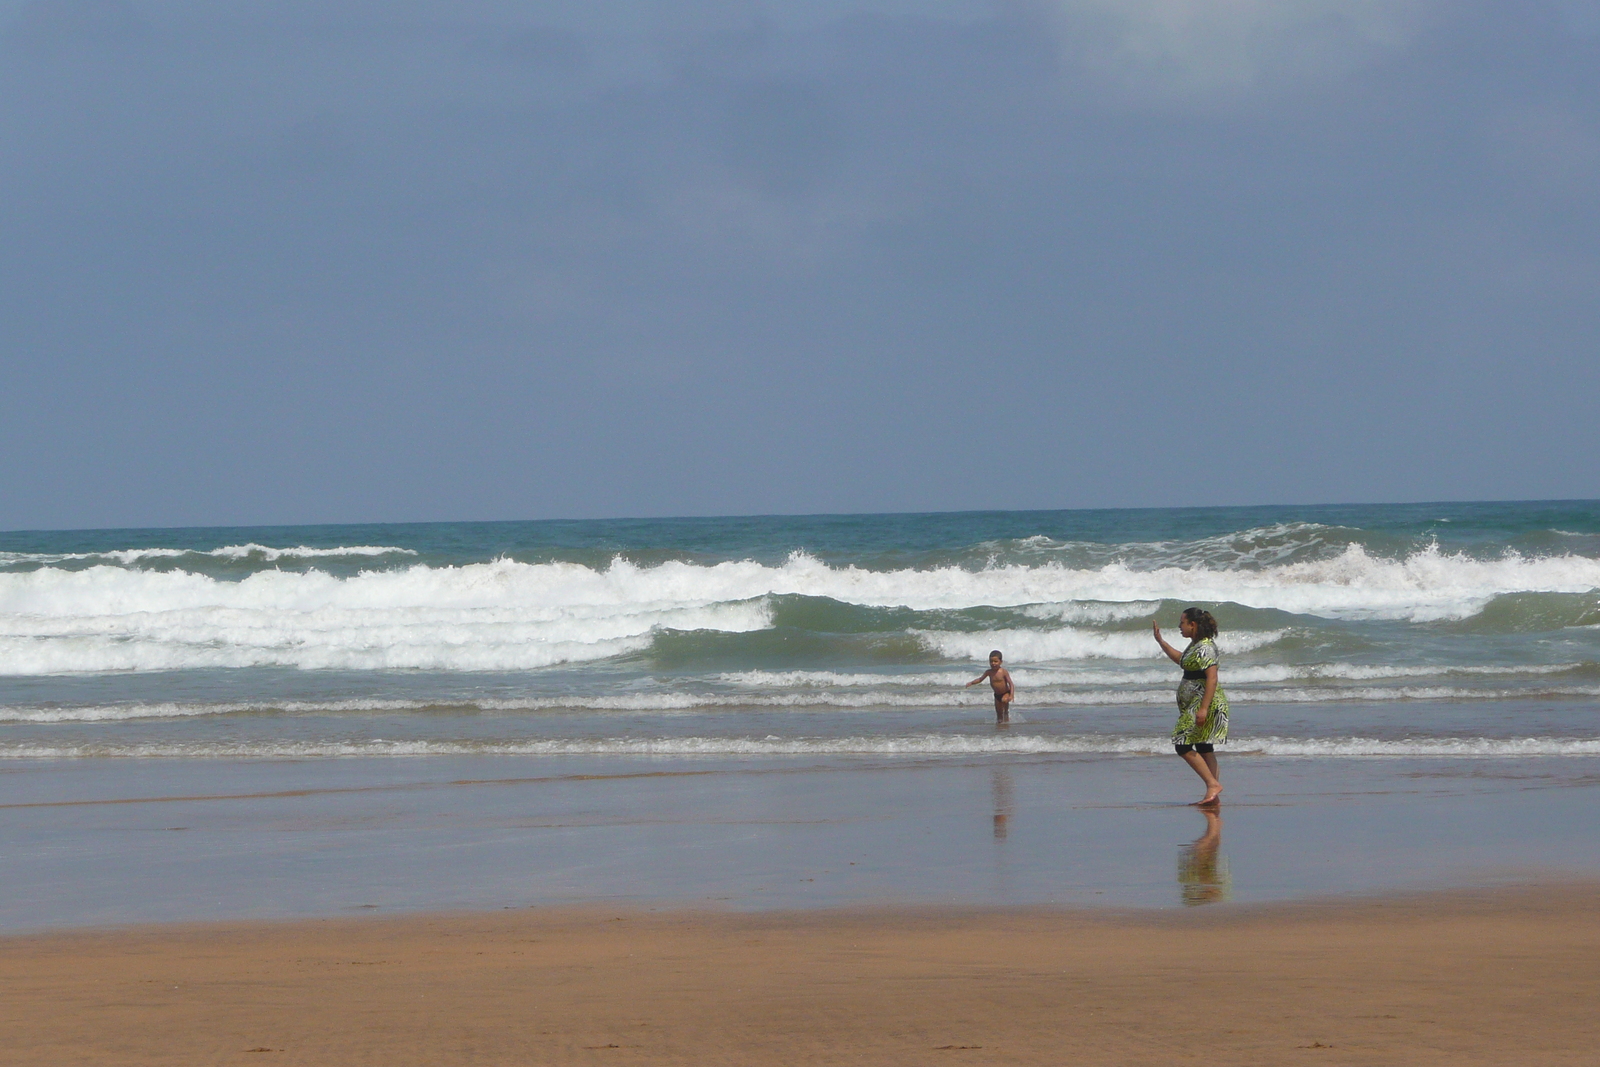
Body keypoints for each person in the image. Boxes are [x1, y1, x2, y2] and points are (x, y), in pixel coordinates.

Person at [1153, 607, 1230, 806]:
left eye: (1182, 623)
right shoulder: (1195, 646)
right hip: (1195, 704)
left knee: (1182, 744)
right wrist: (1161, 642)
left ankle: (1212, 784)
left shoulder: (1205, 647)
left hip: (1203, 703)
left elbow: (1212, 678)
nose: (1180, 627)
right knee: (1204, 747)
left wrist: (1203, 708)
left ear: (1192, 625)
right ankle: (1213, 794)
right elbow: (1182, 661)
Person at [965, 649, 1014, 724]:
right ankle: (1000, 726)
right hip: (997, 695)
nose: (993, 663)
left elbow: (1011, 683)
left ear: (1001, 662)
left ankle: (1007, 722)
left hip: (1005, 693)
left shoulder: (1003, 671)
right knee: (999, 713)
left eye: (995, 661)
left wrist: (1011, 695)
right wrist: (971, 683)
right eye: (991, 661)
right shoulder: (989, 672)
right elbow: (980, 679)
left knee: (1005, 706)